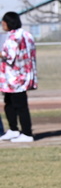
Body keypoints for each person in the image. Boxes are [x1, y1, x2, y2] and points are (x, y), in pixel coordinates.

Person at [0, 11, 38, 143]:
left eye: (3, 22)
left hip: (15, 77)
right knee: (9, 103)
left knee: (20, 106)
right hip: (22, 74)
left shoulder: (13, 37)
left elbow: (9, 55)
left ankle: (27, 133)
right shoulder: (27, 34)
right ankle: (13, 130)